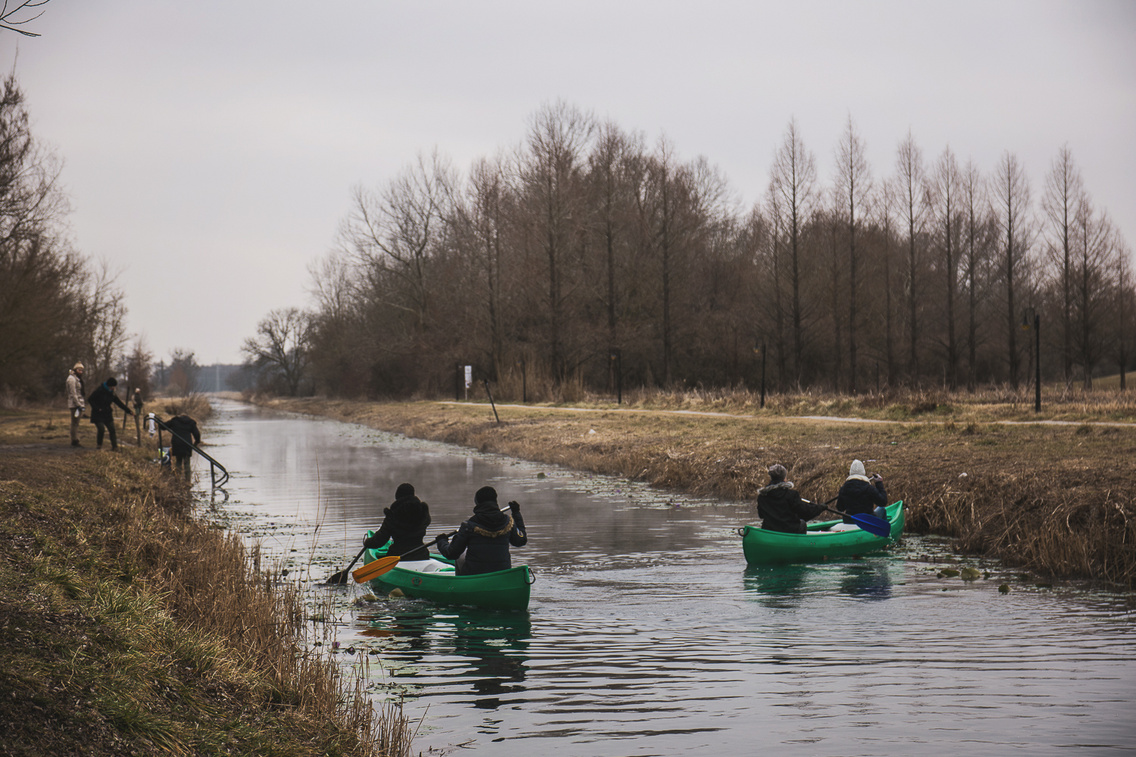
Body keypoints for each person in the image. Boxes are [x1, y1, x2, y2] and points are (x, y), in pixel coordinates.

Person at [437, 486, 527, 575]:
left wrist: (442, 541)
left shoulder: (469, 525)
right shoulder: (508, 522)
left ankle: (461, 585)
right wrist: (516, 513)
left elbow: (451, 554)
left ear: (477, 503)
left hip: (475, 575)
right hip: (501, 574)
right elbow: (521, 540)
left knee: (460, 556)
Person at [362, 483, 432, 556]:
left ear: (397, 496)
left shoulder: (392, 515)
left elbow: (379, 540)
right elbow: (427, 522)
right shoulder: (423, 512)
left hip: (398, 556)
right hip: (421, 554)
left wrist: (367, 542)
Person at [756, 463, 826, 534]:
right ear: (784, 478)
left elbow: (761, 515)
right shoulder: (791, 495)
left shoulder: (762, 496)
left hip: (770, 531)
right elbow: (804, 513)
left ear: (771, 477)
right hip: (790, 531)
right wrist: (819, 508)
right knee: (802, 523)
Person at [87, 377, 133, 450]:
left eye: (114, 386)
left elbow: (119, 403)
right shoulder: (99, 390)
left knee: (112, 429)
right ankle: (99, 445)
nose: (113, 388)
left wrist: (128, 411)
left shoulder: (112, 393)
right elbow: (90, 399)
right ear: (109, 386)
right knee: (101, 429)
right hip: (98, 414)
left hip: (107, 414)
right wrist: (97, 408)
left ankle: (115, 447)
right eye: (112, 386)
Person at [164, 414, 201, 480]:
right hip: (187, 445)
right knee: (187, 463)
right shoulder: (191, 422)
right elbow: (197, 434)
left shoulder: (175, 421)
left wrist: (157, 421)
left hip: (177, 444)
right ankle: (187, 481)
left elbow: (163, 426)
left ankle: (178, 480)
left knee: (178, 462)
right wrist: (196, 443)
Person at [66, 363, 85, 447]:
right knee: (74, 423)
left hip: (78, 403)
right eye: (79, 370)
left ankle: (75, 439)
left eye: (81, 370)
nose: (80, 372)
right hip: (75, 405)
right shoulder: (71, 379)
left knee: (76, 423)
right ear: (75, 370)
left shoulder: (77, 379)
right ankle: (74, 440)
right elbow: (73, 393)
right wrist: (78, 404)